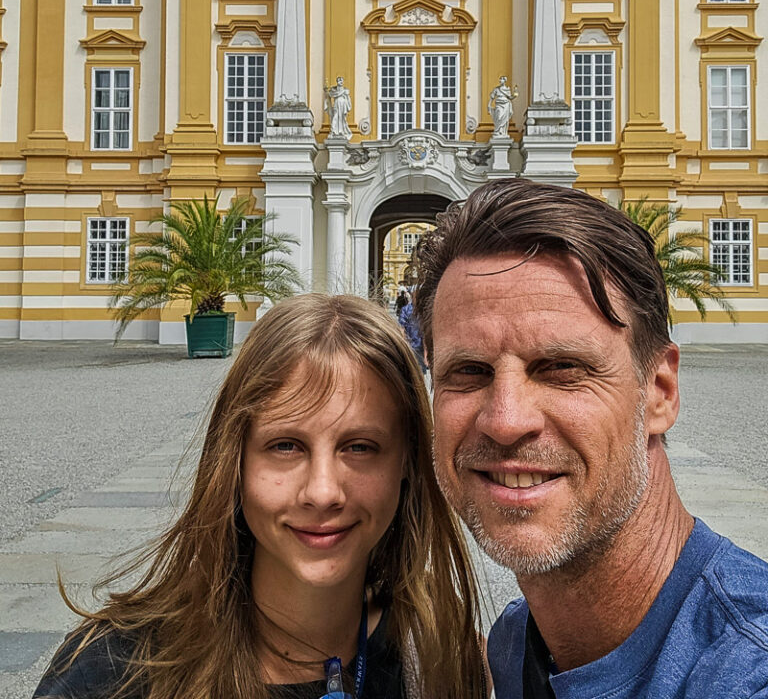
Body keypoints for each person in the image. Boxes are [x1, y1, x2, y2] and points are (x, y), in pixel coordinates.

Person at [414, 178, 768, 699]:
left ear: (660, 392)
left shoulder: (745, 669)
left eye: (561, 367)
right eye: (468, 371)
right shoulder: (516, 643)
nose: (506, 419)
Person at [34, 294, 486, 699]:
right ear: (234, 460)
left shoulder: (441, 654)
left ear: (407, 463)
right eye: (285, 446)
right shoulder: (112, 674)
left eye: (360, 447)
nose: (323, 492)